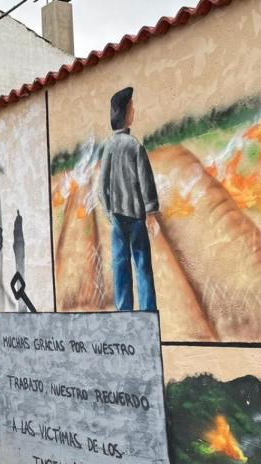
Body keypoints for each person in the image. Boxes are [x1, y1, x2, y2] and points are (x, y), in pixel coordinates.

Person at [98, 86, 160, 312]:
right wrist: (151, 214)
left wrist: (108, 212)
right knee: (143, 267)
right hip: (136, 219)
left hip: (117, 220)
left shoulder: (109, 148)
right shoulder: (135, 146)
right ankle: (148, 314)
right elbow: (147, 183)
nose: (134, 110)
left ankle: (124, 315)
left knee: (120, 267)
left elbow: (100, 186)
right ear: (126, 114)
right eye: (132, 107)